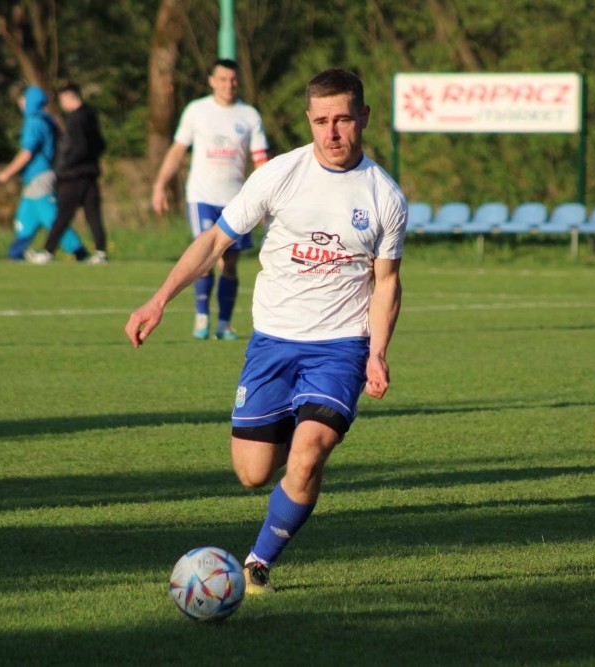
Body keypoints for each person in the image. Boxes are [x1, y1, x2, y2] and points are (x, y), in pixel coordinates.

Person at [126, 68, 407, 593]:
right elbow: (215, 242)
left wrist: (378, 352)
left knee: (308, 453)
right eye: (321, 121)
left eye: (344, 119)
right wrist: (159, 299)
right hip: (273, 342)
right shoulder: (278, 175)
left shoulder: (384, 196)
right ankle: (297, 458)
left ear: (364, 117)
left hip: (341, 347)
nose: (333, 132)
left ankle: (258, 563)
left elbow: (387, 282)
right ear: (308, 119)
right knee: (253, 473)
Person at [150, 59, 269, 340]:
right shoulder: (197, 111)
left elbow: (261, 161)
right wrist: (160, 185)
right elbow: (177, 150)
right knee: (204, 256)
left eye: (233, 80)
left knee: (230, 263)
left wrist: (266, 197)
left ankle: (223, 324)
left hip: (237, 200)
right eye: (223, 79)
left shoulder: (249, 115)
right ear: (212, 81)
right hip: (201, 196)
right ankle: (202, 317)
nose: (229, 84)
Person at [0, 84, 88, 262]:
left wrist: (7, 172)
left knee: (50, 216)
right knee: (26, 215)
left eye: (23, 100)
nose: (21, 104)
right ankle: (15, 253)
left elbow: (27, 153)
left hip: (40, 176)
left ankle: (78, 250)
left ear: (30, 101)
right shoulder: (46, 119)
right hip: (34, 177)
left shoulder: (34, 122)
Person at [26, 82, 109, 265]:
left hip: (73, 176)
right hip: (90, 173)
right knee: (93, 215)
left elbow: (78, 147)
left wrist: (64, 167)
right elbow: (100, 144)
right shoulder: (91, 114)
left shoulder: (76, 119)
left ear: (69, 97)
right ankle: (101, 252)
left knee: (63, 216)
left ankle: (47, 252)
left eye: (62, 99)